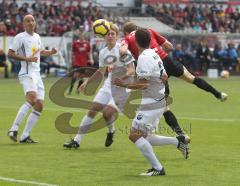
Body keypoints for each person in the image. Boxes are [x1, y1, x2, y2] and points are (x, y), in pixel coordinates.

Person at [120, 22, 228, 137]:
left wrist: (127, 55)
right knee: (192, 78)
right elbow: (169, 46)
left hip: (154, 69)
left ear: (126, 32)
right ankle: (218, 94)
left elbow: (123, 51)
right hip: (166, 60)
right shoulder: (149, 31)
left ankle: (181, 134)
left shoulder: (127, 38)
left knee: (165, 106)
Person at [113, 28, 189, 176]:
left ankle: (158, 168)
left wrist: (124, 85)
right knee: (146, 137)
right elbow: (164, 76)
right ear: (150, 40)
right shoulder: (154, 53)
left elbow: (144, 84)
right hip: (158, 99)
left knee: (134, 136)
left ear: (135, 42)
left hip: (151, 102)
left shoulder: (143, 58)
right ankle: (178, 141)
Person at [63, 23, 135, 148]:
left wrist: (121, 78)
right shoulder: (103, 52)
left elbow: (131, 70)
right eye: (108, 34)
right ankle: (77, 141)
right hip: (109, 84)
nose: (110, 36)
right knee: (93, 109)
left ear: (117, 36)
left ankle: (111, 131)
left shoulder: (123, 50)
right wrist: (87, 82)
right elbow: (101, 71)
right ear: (104, 37)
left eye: (113, 34)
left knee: (107, 113)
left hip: (123, 86)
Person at [7, 14, 57, 143]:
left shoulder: (37, 37)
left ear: (35, 23)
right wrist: (26, 59)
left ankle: (25, 136)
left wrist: (50, 52)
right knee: (32, 99)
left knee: (39, 105)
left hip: (37, 74)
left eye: (32, 20)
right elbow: (10, 53)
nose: (30, 22)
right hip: (27, 72)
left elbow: (40, 52)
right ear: (24, 24)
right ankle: (13, 128)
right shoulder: (20, 37)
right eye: (27, 21)